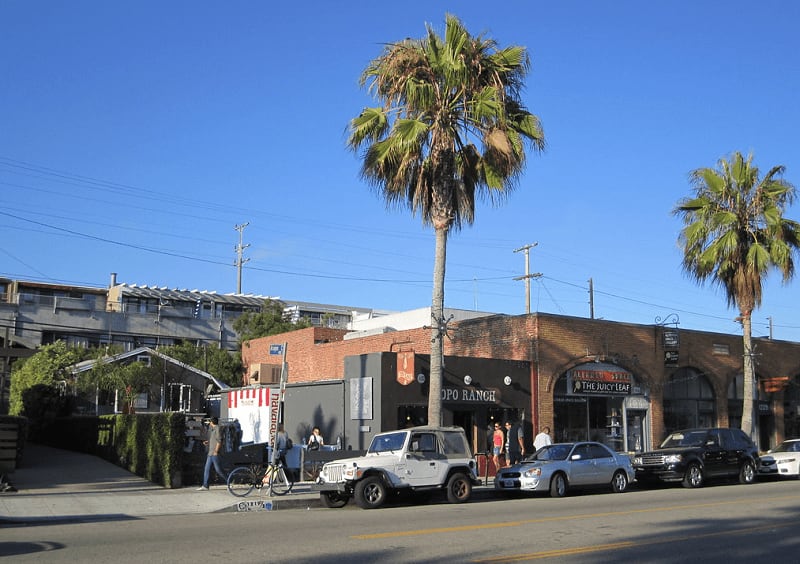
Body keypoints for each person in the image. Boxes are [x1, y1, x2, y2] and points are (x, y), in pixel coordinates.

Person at [197, 417, 226, 490]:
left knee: (218, 470)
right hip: (210, 453)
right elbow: (214, 440)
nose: (209, 423)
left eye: (210, 422)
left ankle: (229, 481)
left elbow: (219, 441)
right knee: (207, 469)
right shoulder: (213, 429)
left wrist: (216, 451)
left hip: (214, 453)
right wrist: (208, 442)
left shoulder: (217, 428)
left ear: (212, 422)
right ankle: (205, 485)